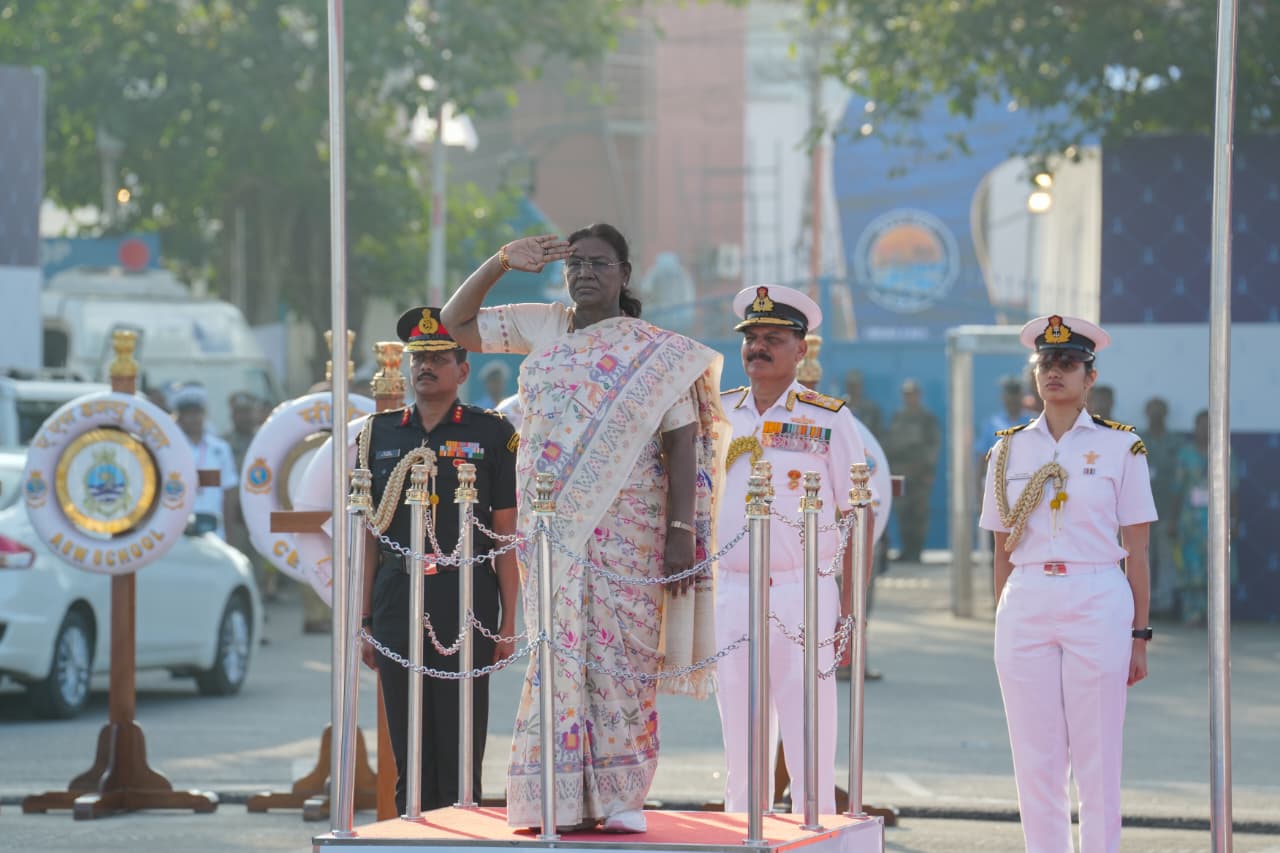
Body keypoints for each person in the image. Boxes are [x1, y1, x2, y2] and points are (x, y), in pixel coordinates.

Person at [441, 224, 725, 833]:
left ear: (625, 274)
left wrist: (681, 531)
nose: (586, 273)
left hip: (632, 526)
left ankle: (623, 796)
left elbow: (682, 441)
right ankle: (555, 795)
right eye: (576, 264)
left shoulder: (657, 351)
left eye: (600, 263)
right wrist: (498, 262)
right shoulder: (543, 324)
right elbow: (452, 324)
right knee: (559, 654)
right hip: (554, 527)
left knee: (622, 656)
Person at [979, 314, 1155, 853]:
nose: (1055, 372)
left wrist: (1139, 633)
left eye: (1068, 363)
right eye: (1046, 363)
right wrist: (1002, 615)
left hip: (1096, 594)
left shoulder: (1122, 448)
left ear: (1089, 376)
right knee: (1035, 753)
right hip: (1028, 597)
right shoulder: (1007, 450)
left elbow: (1138, 548)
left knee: (1097, 749)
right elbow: (1000, 549)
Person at [357, 306, 520, 814]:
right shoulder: (376, 434)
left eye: (438, 357)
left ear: (462, 369)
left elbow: (505, 537)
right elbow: (369, 536)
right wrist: (364, 618)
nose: (424, 366)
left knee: (459, 733)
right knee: (407, 737)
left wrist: (509, 622)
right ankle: (412, 833)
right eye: (417, 357)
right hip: (397, 593)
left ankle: (461, 826)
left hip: (464, 593)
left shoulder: (492, 434)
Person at [714, 284, 866, 816]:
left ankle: (813, 831)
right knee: (740, 727)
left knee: (809, 728)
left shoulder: (828, 418)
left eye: (773, 338)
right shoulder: (718, 414)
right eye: (751, 338)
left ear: (801, 350)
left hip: (802, 588)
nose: (758, 348)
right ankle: (744, 831)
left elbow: (855, 516)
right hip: (731, 589)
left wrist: (850, 608)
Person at [1168, 409, 1238, 626]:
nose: (1204, 429)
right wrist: (1172, 519)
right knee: (1190, 568)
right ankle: (1192, 614)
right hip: (1189, 522)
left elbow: (1233, 490)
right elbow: (1177, 490)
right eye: (1201, 424)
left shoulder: (1225, 452)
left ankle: (1216, 619)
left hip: (1216, 520)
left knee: (1218, 568)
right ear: (1194, 426)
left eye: (1209, 424)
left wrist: (1233, 522)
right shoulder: (1184, 453)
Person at [224, 391, 277, 601]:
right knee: (237, 561)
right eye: (240, 412)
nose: (244, 417)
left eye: (248, 412)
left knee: (259, 565)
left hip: (260, 513)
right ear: (232, 415)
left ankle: (258, 605)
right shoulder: (224, 443)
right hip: (234, 515)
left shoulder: (264, 440)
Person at [170, 383, 240, 541]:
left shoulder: (220, 449)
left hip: (214, 532)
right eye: (188, 414)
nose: (194, 419)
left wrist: (230, 536)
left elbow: (229, 494)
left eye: (197, 413)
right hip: (179, 535)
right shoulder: (171, 450)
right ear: (179, 417)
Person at [885, 378, 940, 562]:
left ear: (919, 395)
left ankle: (916, 552)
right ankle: (906, 550)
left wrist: (928, 471)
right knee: (902, 513)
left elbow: (933, 446)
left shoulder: (926, 418)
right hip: (901, 472)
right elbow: (890, 444)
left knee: (919, 514)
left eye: (912, 394)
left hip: (919, 473)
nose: (910, 398)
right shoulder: (898, 417)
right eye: (906, 395)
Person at [1140, 397, 1184, 616]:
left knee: (1166, 560)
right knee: (1140, 559)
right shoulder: (1136, 440)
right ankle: (1140, 606)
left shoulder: (1175, 442)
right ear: (1146, 413)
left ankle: (1164, 607)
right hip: (1139, 512)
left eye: (1160, 411)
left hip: (1166, 510)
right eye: (1152, 411)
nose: (1156, 415)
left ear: (1166, 414)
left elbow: (1181, 478)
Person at [842, 368, 884, 437]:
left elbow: (879, 435)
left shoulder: (872, 410)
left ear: (861, 386)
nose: (853, 389)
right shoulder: (840, 408)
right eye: (851, 385)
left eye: (856, 385)